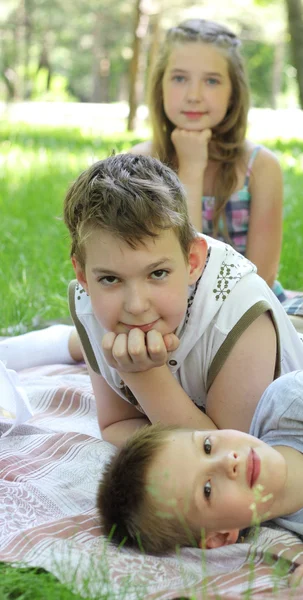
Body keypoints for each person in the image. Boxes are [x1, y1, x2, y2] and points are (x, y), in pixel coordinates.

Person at [1, 154, 303, 448]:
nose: (136, 305)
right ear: (82, 276)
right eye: (110, 279)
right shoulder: (89, 306)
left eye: (157, 273)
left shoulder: (239, 314)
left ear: (193, 260)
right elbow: (115, 426)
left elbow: (227, 458)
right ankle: (55, 343)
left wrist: (144, 376)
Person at [130, 18, 286, 301]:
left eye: (211, 81)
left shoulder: (260, 168)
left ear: (233, 94)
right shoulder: (138, 164)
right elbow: (164, 280)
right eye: (179, 78)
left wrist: (192, 166)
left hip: (247, 311)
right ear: (160, 85)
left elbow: (261, 283)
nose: (194, 96)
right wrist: (190, 168)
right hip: (163, 310)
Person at [97, 371, 303, 557]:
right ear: (220, 537)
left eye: (207, 446)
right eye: (207, 489)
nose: (227, 460)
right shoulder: (288, 536)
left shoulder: (290, 399)